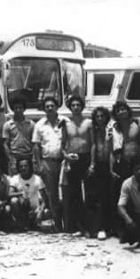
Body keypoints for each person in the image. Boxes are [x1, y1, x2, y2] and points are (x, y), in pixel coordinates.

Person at [32, 96, 66, 231]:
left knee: (66, 193)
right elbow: (36, 146)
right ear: (44, 109)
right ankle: (57, 224)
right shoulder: (39, 125)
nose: (50, 108)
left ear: (57, 107)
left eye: (52, 106)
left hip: (64, 162)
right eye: (47, 106)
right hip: (48, 162)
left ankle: (69, 224)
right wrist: (39, 163)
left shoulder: (65, 121)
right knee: (52, 194)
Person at [109, 101, 140, 237]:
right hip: (120, 163)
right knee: (120, 196)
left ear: (128, 111)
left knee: (136, 196)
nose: (121, 112)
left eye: (123, 109)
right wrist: (111, 169)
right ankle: (121, 229)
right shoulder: (114, 128)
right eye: (118, 110)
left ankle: (137, 228)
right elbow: (111, 150)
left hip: (135, 164)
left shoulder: (137, 125)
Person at [61, 95, 92, 235]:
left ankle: (90, 226)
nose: (75, 107)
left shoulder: (89, 123)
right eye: (73, 105)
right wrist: (66, 156)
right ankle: (78, 226)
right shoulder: (66, 124)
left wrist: (92, 162)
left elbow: (93, 144)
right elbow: (62, 146)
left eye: (78, 105)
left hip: (86, 158)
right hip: (73, 159)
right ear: (70, 107)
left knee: (89, 193)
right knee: (75, 194)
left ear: (82, 106)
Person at [86, 106, 113, 240]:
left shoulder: (110, 129)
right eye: (97, 116)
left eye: (102, 116)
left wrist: (112, 167)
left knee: (108, 196)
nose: (100, 119)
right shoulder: (94, 131)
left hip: (109, 165)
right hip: (98, 165)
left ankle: (108, 227)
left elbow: (112, 148)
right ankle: (96, 227)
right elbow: (93, 146)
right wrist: (92, 164)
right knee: (96, 198)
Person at [9, 158, 51, 231]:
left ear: (30, 167)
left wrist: (40, 210)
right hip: (22, 208)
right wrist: (21, 193)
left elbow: (44, 198)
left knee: (46, 212)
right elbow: (9, 193)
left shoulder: (37, 179)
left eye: (25, 166)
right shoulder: (15, 179)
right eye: (21, 166)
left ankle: (34, 223)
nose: (23, 168)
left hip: (35, 209)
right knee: (13, 201)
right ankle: (21, 224)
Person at [2, 97, 35, 176]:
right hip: (14, 156)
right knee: (14, 181)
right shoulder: (8, 125)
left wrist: (33, 158)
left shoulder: (31, 124)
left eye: (20, 108)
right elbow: (5, 144)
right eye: (16, 108)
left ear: (24, 109)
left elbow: (34, 142)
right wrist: (10, 159)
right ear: (13, 109)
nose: (18, 110)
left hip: (27, 156)